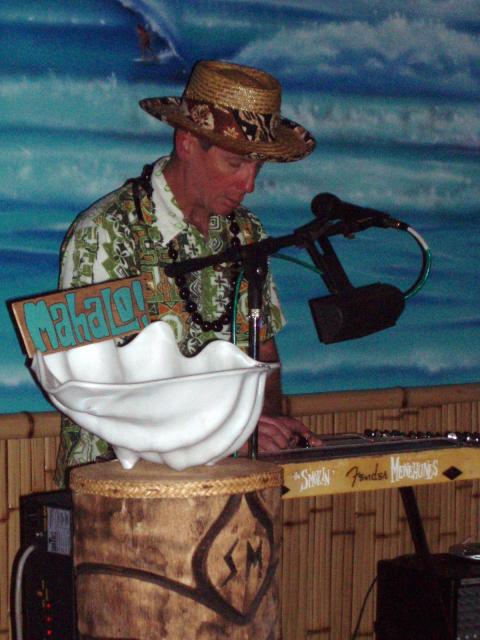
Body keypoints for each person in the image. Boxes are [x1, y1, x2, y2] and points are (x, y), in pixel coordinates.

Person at [54, 59, 320, 487]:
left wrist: (266, 421)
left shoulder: (247, 233)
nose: (249, 184)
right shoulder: (107, 232)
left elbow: (263, 354)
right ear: (187, 143)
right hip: (118, 488)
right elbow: (96, 387)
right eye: (235, 164)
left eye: (258, 167)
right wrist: (227, 433)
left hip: (224, 481)